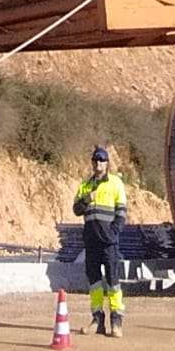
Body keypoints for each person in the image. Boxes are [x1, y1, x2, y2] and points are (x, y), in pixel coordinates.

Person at [72, 145, 127, 338]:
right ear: (92, 163)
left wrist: (114, 232)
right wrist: (87, 198)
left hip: (109, 242)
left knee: (113, 281)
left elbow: (121, 213)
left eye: (102, 160)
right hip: (91, 241)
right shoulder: (85, 185)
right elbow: (76, 209)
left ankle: (116, 321)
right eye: (96, 160)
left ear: (107, 163)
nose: (98, 163)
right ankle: (97, 320)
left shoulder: (115, 183)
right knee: (94, 282)